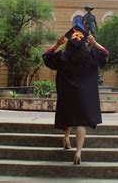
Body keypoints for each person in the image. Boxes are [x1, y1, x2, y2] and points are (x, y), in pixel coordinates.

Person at [42, 24, 108, 165]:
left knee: (68, 115)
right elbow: (105, 53)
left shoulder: (62, 57)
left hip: (67, 93)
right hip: (84, 95)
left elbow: (46, 56)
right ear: (84, 44)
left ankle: (66, 137)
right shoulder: (91, 56)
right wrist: (95, 43)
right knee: (80, 123)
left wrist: (57, 44)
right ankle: (78, 151)